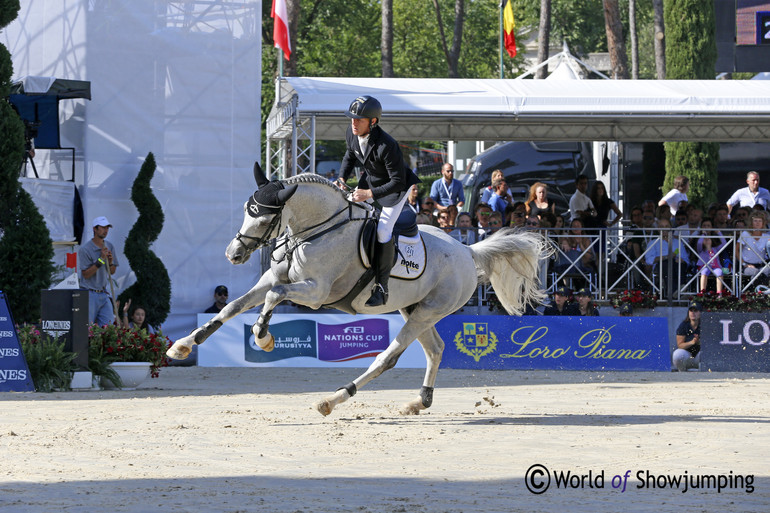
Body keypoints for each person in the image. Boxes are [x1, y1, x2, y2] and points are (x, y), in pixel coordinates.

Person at [336, 95, 420, 307]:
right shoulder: (352, 133)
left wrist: (368, 194)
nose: (353, 123)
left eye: (359, 119)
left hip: (396, 188)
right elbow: (349, 156)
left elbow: (397, 181)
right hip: (372, 179)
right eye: (352, 118)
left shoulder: (387, 145)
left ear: (373, 122)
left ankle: (381, 287)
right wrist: (342, 178)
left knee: (383, 230)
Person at [79, 216, 119, 326]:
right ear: (94, 229)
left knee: (108, 327)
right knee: (87, 328)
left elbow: (112, 272)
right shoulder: (85, 249)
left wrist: (110, 262)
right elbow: (86, 274)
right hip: (89, 293)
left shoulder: (109, 246)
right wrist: (101, 260)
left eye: (107, 228)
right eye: (103, 228)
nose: (106, 231)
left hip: (103, 293)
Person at [737, 210, 770, 282]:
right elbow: (736, 250)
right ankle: (755, 292)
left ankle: (763, 291)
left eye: (760, 221)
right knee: (756, 272)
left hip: (762, 265)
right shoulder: (745, 234)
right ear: (751, 223)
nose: (757, 223)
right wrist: (744, 263)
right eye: (755, 221)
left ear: (763, 223)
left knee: (767, 271)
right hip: (748, 265)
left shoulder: (767, 236)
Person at [672, 301, 702, 372]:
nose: (693, 313)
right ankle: (682, 372)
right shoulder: (684, 325)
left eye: (696, 311)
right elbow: (680, 345)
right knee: (677, 354)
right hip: (687, 356)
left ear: (700, 312)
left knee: (705, 354)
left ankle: (704, 373)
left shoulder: (705, 325)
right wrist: (692, 342)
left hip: (699, 357)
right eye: (691, 310)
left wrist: (699, 342)